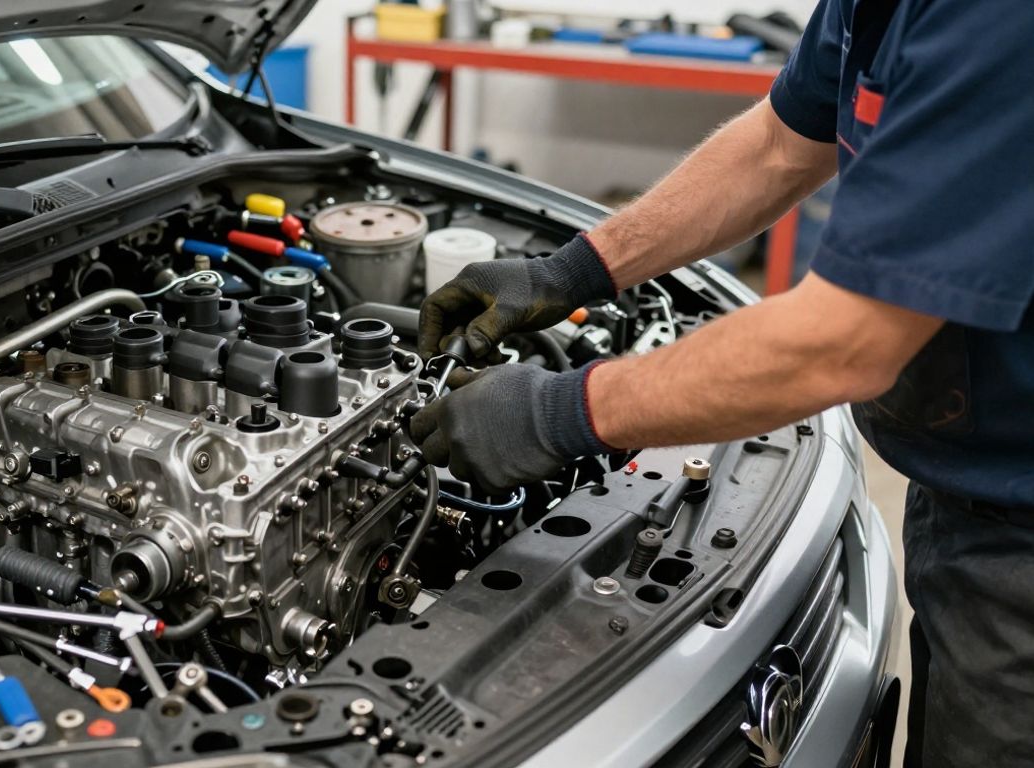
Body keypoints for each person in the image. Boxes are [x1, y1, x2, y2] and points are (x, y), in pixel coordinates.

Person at [410, 0, 1034, 765]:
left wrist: (561, 413)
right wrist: (569, 271)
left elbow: (840, 345)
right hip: (968, 486)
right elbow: (776, 145)